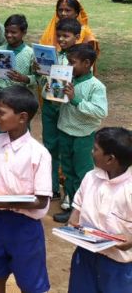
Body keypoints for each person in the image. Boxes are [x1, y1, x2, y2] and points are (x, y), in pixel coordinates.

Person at [0, 86, 52, 293]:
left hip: (24, 226)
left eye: (1, 112)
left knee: (31, 283)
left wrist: (5, 202)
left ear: (22, 117)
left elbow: (41, 200)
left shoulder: (38, 153)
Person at [67, 127, 132, 293]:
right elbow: (77, 211)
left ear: (110, 159)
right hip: (85, 255)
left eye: (96, 149)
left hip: (118, 264)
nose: (91, 151)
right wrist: (73, 223)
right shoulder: (90, 178)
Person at [54, 44, 108, 223]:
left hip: (84, 135)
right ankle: (72, 207)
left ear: (87, 63)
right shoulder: (67, 79)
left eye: (72, 63)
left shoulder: (96, 86)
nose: (69, 66)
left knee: (83, 174)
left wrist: (75, 100)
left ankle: (84, 211)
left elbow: (100, 111)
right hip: (65, 131)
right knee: (68, 172)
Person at [36, 17, 81, 200]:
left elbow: (80, 83)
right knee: (49, 147)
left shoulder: (81, 58)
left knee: (66, 150)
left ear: (77, 37)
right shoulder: (53, 55)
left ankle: (69, 194)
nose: (62, 39)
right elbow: (43, 80)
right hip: (49, 105)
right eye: (59, 36)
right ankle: (51, 187)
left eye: (66, 36)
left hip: (65, 108)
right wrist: (39, 71)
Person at [0, 14, 37, 95]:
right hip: (0, 95)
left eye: (13, 32)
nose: (8, 35)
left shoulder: (30, 53)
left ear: (24, 33)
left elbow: (37, 78)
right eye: (6, 31)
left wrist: (24, 78)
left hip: (21, 97)